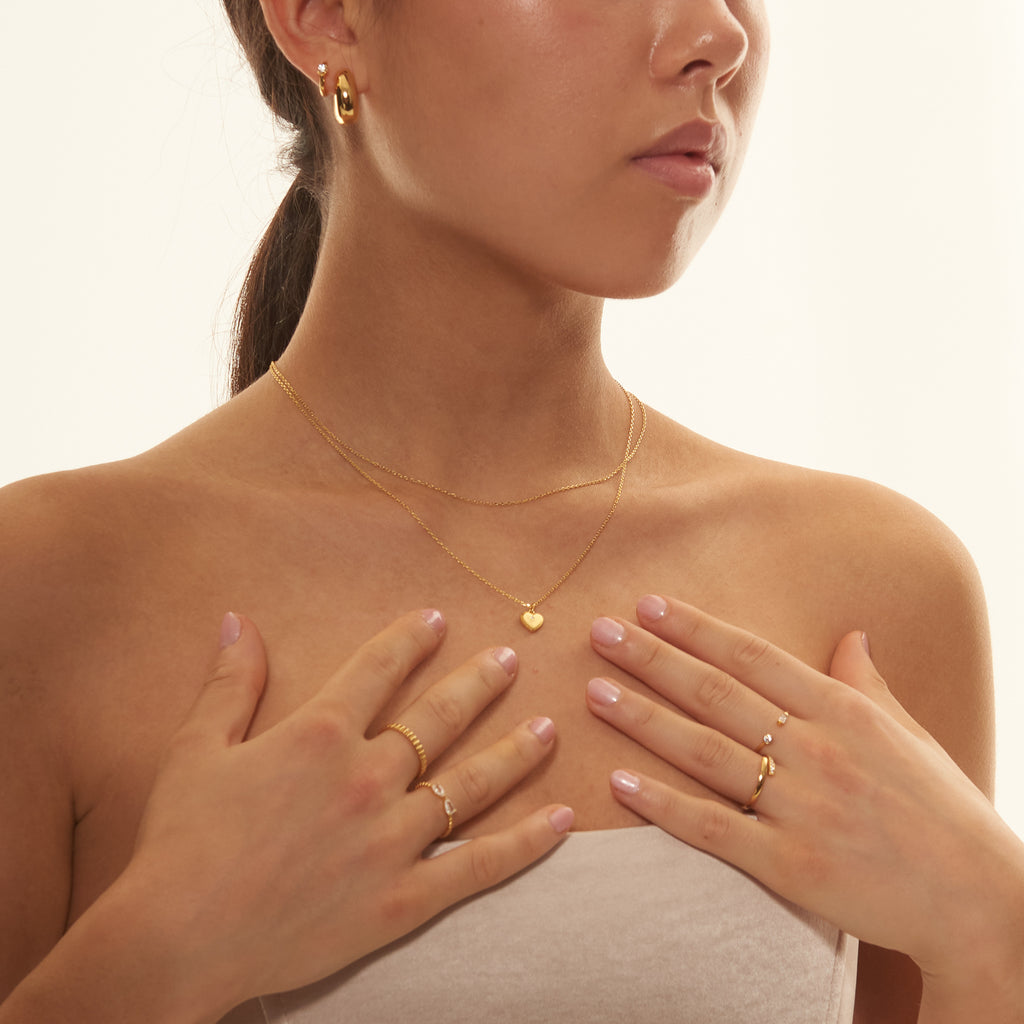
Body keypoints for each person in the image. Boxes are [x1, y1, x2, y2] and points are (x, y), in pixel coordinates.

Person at [0, 0, 1013, 1020]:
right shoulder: (53, 590)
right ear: (325, 20)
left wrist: (999, 933)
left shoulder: (876, 590)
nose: (718, 32)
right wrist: (154, 957)